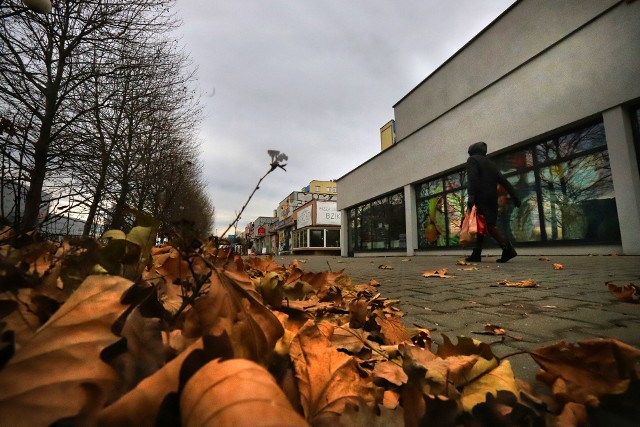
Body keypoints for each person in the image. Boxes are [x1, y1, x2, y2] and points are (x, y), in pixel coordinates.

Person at [466, 141, 521, 262]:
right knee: (483, 224)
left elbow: (473, 179)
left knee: (488, 225)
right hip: (492, 198)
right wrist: (514, 195)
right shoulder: (490, 163)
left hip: (480, 197)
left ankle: (507, 248)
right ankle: (477, 253)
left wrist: (471, 196)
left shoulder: (472, 160)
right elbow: (503, 180)